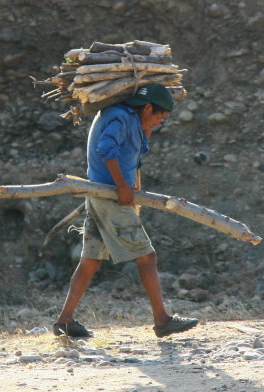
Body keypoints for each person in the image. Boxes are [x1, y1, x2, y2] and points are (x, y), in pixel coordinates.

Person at [52, 83, 199, 338]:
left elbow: (134, 154)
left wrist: (147, 129)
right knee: (147, 257)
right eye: (158, 117)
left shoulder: (129, 118)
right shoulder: (119, 116)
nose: (158, 123)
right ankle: (162, 321)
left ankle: (65, 321)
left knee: (91, 259)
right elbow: (107, 149)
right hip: (110, 196)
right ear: (148, 107)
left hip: (100, 195)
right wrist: (122, 186)